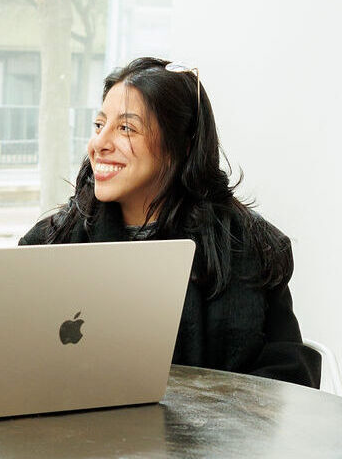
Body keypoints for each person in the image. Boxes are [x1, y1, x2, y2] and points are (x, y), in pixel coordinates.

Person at [20, 57, 320, 387]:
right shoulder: (50, 242)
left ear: (182, 145)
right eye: (99, 125)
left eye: (125, 128)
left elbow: (288, 378)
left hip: (216, 436)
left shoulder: (251, 246)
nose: (99, 144)